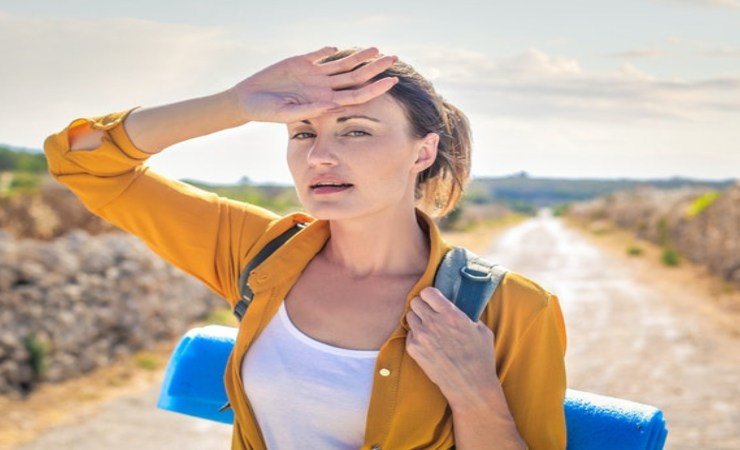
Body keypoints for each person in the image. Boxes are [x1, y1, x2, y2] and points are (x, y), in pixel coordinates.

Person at [43, 45, 568, 450]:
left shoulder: (512, 309)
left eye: (356, 132)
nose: (320, 156)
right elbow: (83, 159)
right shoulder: (260, 252)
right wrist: (234, 103)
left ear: (423, 151)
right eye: (301, 134)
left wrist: (477, 397)